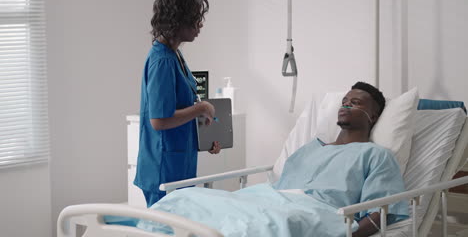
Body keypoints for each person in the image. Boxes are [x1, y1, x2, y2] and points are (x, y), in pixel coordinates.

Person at [137, 82, 409, 237]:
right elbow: (278, 188)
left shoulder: (375, 155)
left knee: (265, 226)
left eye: (357, 103)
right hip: (265, 198)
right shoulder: (310, 148)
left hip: (312, 210)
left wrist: (349, 234)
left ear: (373, 117)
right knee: (184, 197)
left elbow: (382, 210)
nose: (346, 104)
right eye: (345, 100)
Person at [134, 0, 221, 208]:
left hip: (179, 166)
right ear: (179, 19)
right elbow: (159, 121)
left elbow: (181, 109)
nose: (200, 24)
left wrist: (206, 139)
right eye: (196, 18)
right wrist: (201, 108)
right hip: (163, 171)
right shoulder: (162, 60)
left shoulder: (175, 56)